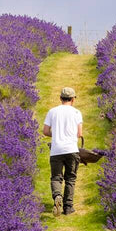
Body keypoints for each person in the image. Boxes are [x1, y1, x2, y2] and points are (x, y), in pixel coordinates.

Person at [42, 86, 83, 216]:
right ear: (73, 99)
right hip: (72, 150)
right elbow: (79, 133)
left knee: (56, 177)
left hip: (56, 150)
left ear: (60, 98)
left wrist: (57, 135)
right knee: (70, 178)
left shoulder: (52, 112)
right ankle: (68, 207)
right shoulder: (76, 113)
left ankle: (57, 196)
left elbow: (45, 131)